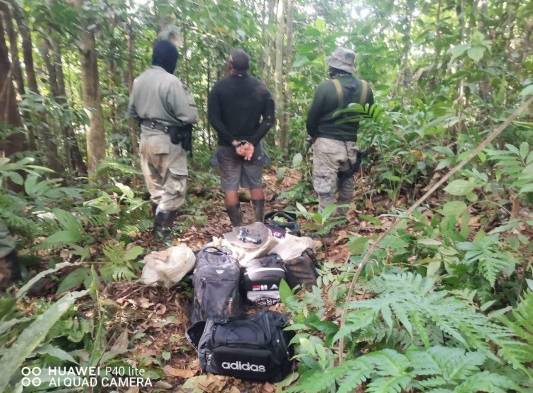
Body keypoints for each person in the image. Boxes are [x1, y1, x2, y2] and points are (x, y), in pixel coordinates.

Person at [128, 40, 198, 240]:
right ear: (171, 60)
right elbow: (189, 116)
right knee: (174, 190)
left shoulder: (138, 80)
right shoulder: (170, 81)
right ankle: (162, 236)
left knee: (157, 191)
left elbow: (133, 112)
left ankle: (158, 237)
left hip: (146, 141)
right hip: (167, 140)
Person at [208, 48, 275, 227]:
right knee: (256, 184)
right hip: (252, 148)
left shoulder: (219, 88)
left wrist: (233, 142)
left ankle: (238, 230)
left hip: (227, 147)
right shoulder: (260, 87)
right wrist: (252, 142)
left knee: (230, 188)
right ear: (248, 67)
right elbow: (269, 120)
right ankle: (259, 225)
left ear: (230, 65)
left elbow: (214, 119)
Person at [306, 47, 374, 212]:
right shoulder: (365, 88)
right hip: (351, 145)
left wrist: (314, 136)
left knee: (326, 189)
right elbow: (369, 117)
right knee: (346, 182)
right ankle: (342, 219)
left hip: (327, 145)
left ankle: (326, 228)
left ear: (333, 67)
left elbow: (311, 119)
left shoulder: (326, 87)